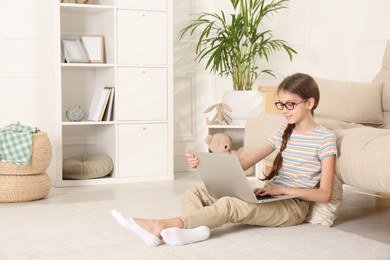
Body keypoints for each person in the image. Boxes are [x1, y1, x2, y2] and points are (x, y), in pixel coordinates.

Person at [111, 73, 337, 246]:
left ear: (310, 103)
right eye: (281, 104)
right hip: (269, 196)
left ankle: (159, 225)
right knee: (194, 193)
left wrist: (283, 191)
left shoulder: (325, 139)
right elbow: (245, 164)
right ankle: (195, 231)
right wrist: (206, 163)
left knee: (229, 205)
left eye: (290, 104)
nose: (284, 110)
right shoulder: (282, 132)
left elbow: (325, 194)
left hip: (292, 207)